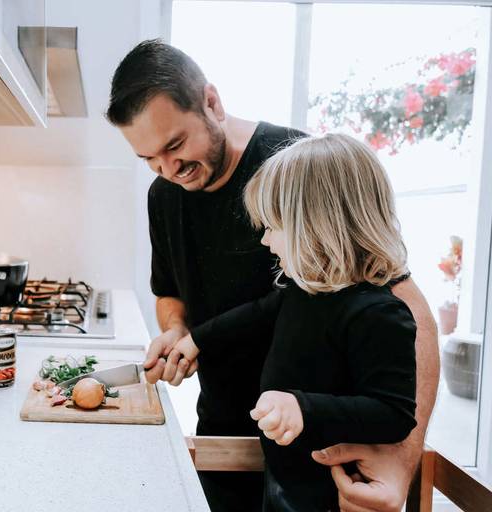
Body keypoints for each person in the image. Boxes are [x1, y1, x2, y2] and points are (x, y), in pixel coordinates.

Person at [106, 39, 439, 512]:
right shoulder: (163, 194)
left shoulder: (296, 168)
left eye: (176, 145)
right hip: (228, 434)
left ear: (212, 103)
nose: (168, 169)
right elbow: (171, 294)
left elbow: (407, 309)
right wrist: (180, 332)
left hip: (326, 457)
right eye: (149, 160)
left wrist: (402, 462)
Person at [170, 133, 418, 510]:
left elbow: (394, 413)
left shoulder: (378, 314)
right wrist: (196, 340)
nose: (267, 241)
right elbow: (254, 316)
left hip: (331, 495)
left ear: (317, 227)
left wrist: (303, 408)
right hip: (283, 479)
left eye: (272, 227)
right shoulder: (305, 293)